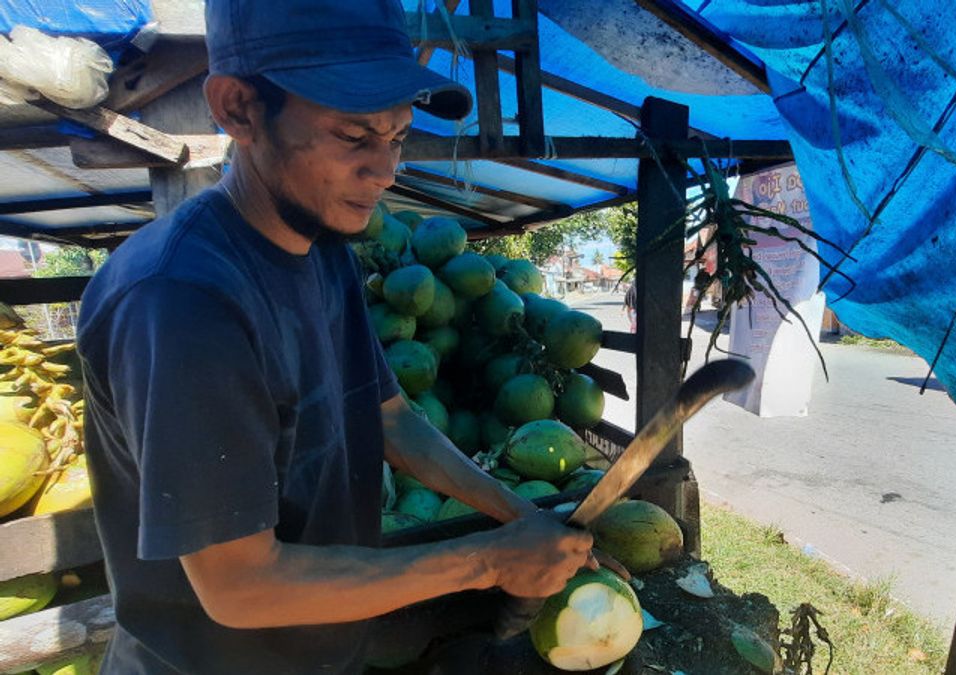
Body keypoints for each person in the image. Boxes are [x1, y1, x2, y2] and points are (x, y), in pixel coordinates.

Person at [76, 1, 597, 672]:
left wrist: (520, 516)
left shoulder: (322, 251)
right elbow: (240, 584)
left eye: (398, 135)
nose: (385, 171)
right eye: (354, 136)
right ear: (239, 108)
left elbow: (393, 419)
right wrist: (491, 560)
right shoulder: (180, 299)